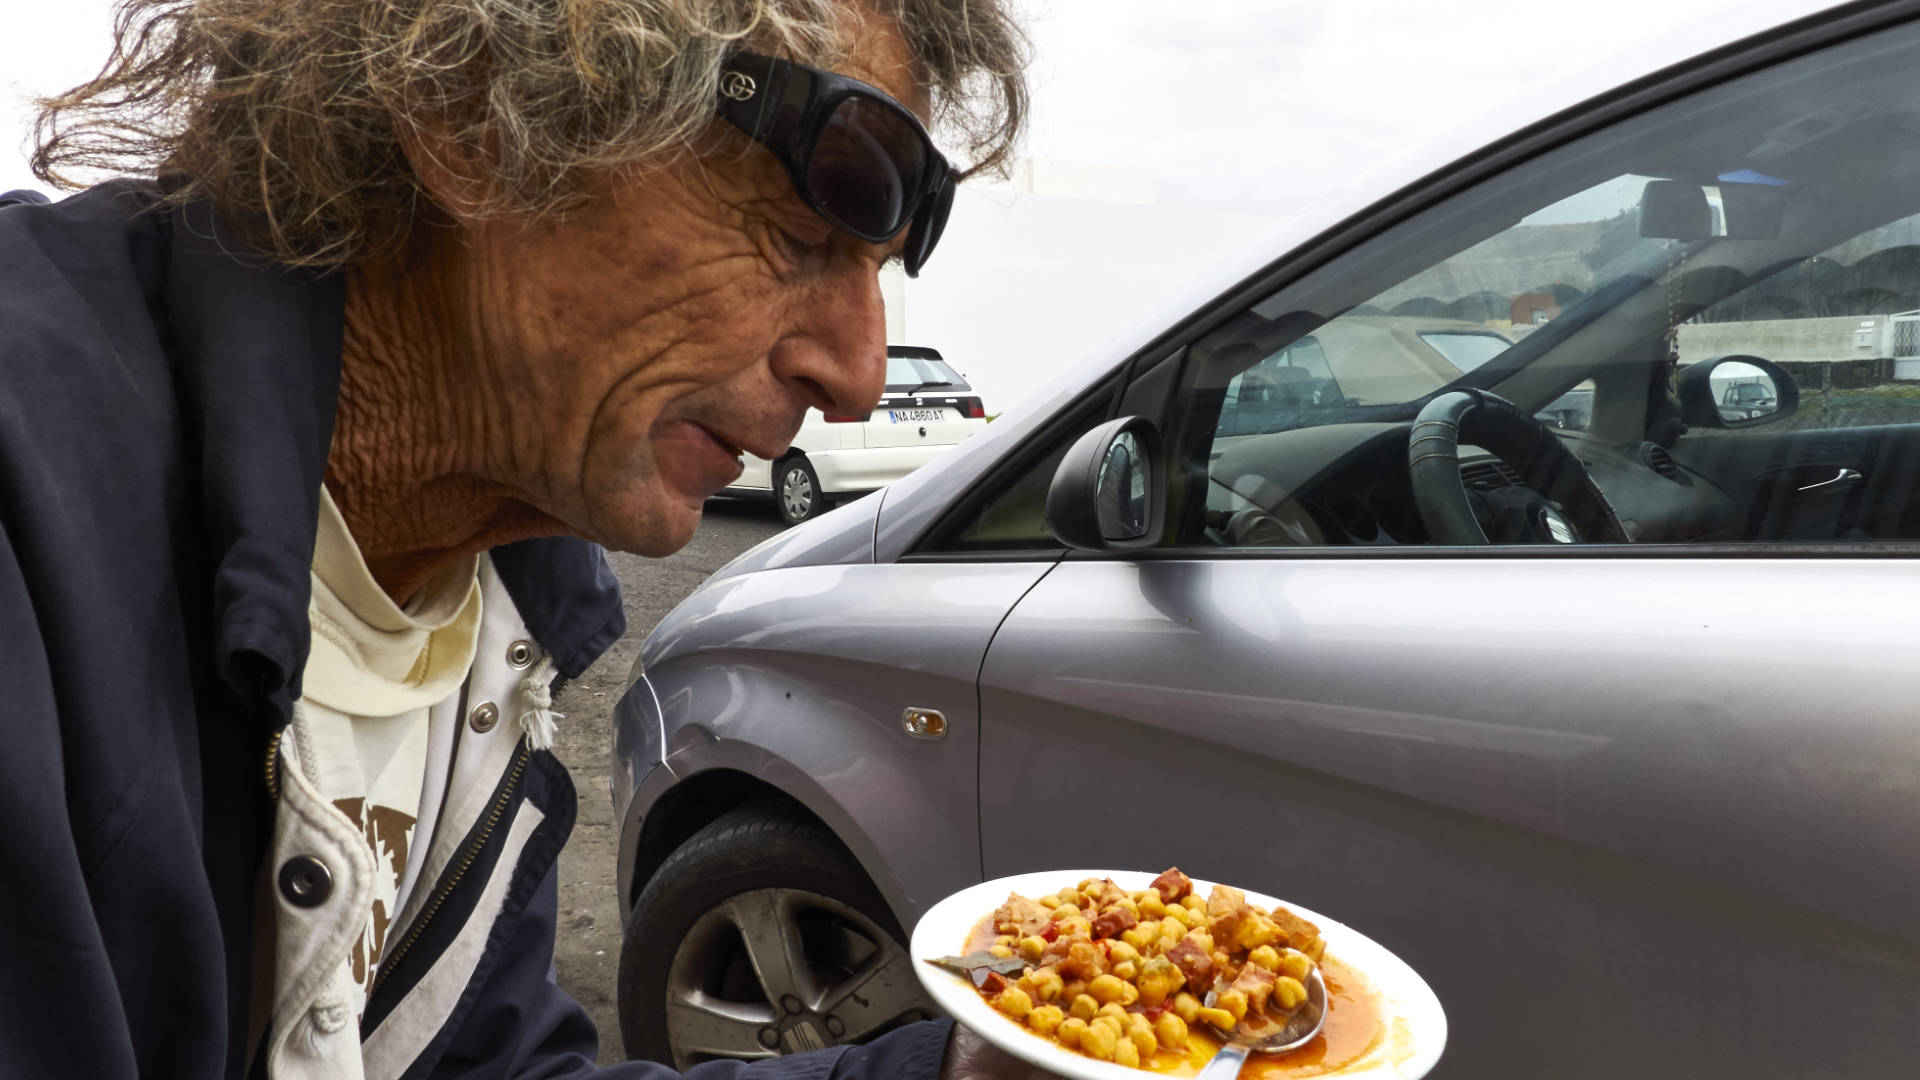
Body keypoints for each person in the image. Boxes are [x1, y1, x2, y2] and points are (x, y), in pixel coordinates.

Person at [0, 1, 1054, 1077]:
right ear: (471, 115)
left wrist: (957, 1070)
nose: (858, 376)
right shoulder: (26, 513)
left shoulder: (511, 602)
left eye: (875, 273)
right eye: (795, 238)